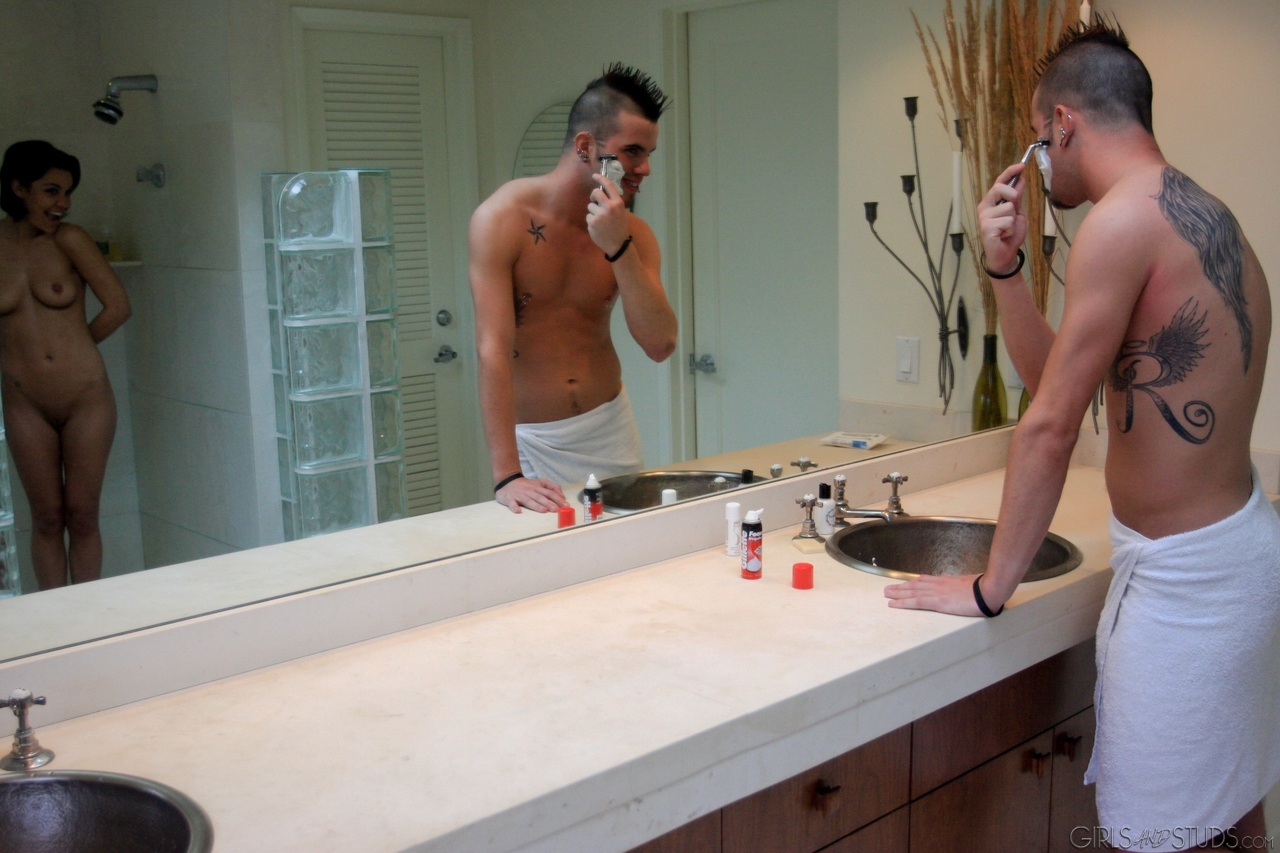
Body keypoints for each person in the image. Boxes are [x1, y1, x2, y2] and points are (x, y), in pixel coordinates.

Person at [882, 20, 1278, 851]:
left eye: (1038, 138)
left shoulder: (1120, 223)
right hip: (1233, 558)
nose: (1039, 162)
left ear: (1063, 124)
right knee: (1229, 816)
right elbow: (1062, 382)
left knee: (1159, 832)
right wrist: (1005, 269)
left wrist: (991, 586)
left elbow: (1051, 425)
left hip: (1186, 587)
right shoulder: (1206, 216)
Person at [469, 64, 678, 513]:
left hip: (611, 431)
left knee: (628, 550)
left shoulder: (634, 234)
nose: (644, 168)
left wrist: (619, 247)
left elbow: (660, 344)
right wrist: (506, 475)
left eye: (648, 153)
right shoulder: (502, 219)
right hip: (533, 442)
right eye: (632, 151)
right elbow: (492, 349)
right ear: (586, 147)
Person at [0, 141, 131, 589]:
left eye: (68, 193)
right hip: (24, 402)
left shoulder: (71, 239)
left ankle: (89, 615)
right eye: (51, 191)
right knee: (46, 518)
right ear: (19, 188)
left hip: (84, 396)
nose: (63, 204)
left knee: (82, 513)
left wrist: (76, 347)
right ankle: (54, 618)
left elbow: (118, 306)